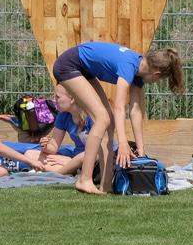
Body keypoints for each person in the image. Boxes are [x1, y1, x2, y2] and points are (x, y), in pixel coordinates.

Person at [52, 42, 185, 195]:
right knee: (102, 118)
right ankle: (84, 179)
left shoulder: (138, 72)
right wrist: (122, 143)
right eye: (159, 80)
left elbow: (135, 111)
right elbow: (119, 107)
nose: (155, 82)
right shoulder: (129, 66)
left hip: (84, 71)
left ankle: (106, 184)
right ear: (156, 74)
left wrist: (141, 150)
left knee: (108, 122)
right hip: (68, 66)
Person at [6, 89, 93, 176]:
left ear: (72, 99)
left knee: (80, 158)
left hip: (91, 159)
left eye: (57, 97)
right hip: (74, 158)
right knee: (30, 154)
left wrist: (72, 161)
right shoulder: (63, 115)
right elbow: (54, 146)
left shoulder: (92, 117)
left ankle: (66, 170)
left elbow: (97, 152)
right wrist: (46, 146)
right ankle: (71, 169)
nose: (54, 100)